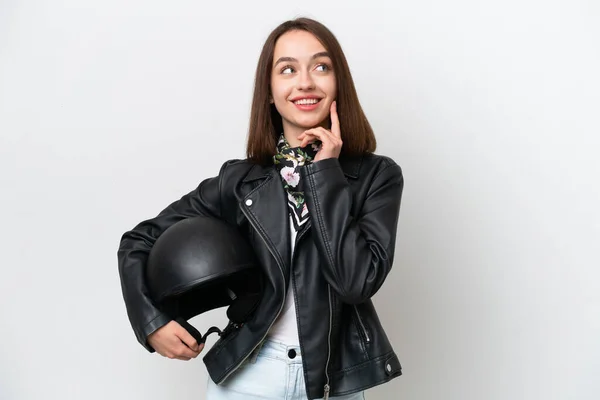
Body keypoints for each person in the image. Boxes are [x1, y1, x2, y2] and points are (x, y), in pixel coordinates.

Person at [117, 17, 404, 400]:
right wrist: (152, 321)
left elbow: (356, 282)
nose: (305, 82)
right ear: (270, 91)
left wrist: (324, 173)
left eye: (321, 67)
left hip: (334, 381)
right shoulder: (240, 181)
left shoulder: (376, 176)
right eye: (287, 69)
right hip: (249, 377)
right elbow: (138, 240)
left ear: (338, 85)